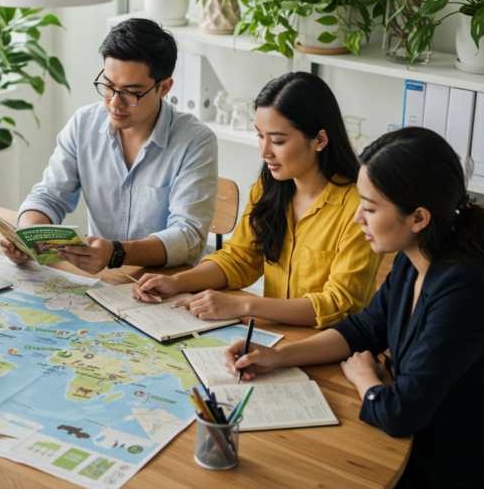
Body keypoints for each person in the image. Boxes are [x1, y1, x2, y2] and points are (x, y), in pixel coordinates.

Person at [223, 128, 484, 488]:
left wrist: (364, 377)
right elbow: (363, 329)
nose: (357, 219)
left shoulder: (465, 291)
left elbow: (400, 412)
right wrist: (278, 357)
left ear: (418, 218)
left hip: (467, 471)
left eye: (369, 208)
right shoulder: (412, 257)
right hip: (422, 447)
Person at [133, 72, 382, 328]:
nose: (264, 151)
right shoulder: (269, 188)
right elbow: (239, 258)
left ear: (319, 140)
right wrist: (178, 282)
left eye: (277, 140)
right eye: (260, 136)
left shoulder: (359, 207)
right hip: (276, 336)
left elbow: (339, 304)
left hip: (334, 347)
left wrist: (243, 305)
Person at [2, 18, 219, 274]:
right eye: (108, 86)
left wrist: (117, 252)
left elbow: (188, 237)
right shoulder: (84, 124)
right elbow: (49, 196)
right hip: (102, 279)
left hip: (164, 283)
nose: (115, 103)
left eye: (130, 92)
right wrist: (28, 236)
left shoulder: (195, 142)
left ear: (163, 88)